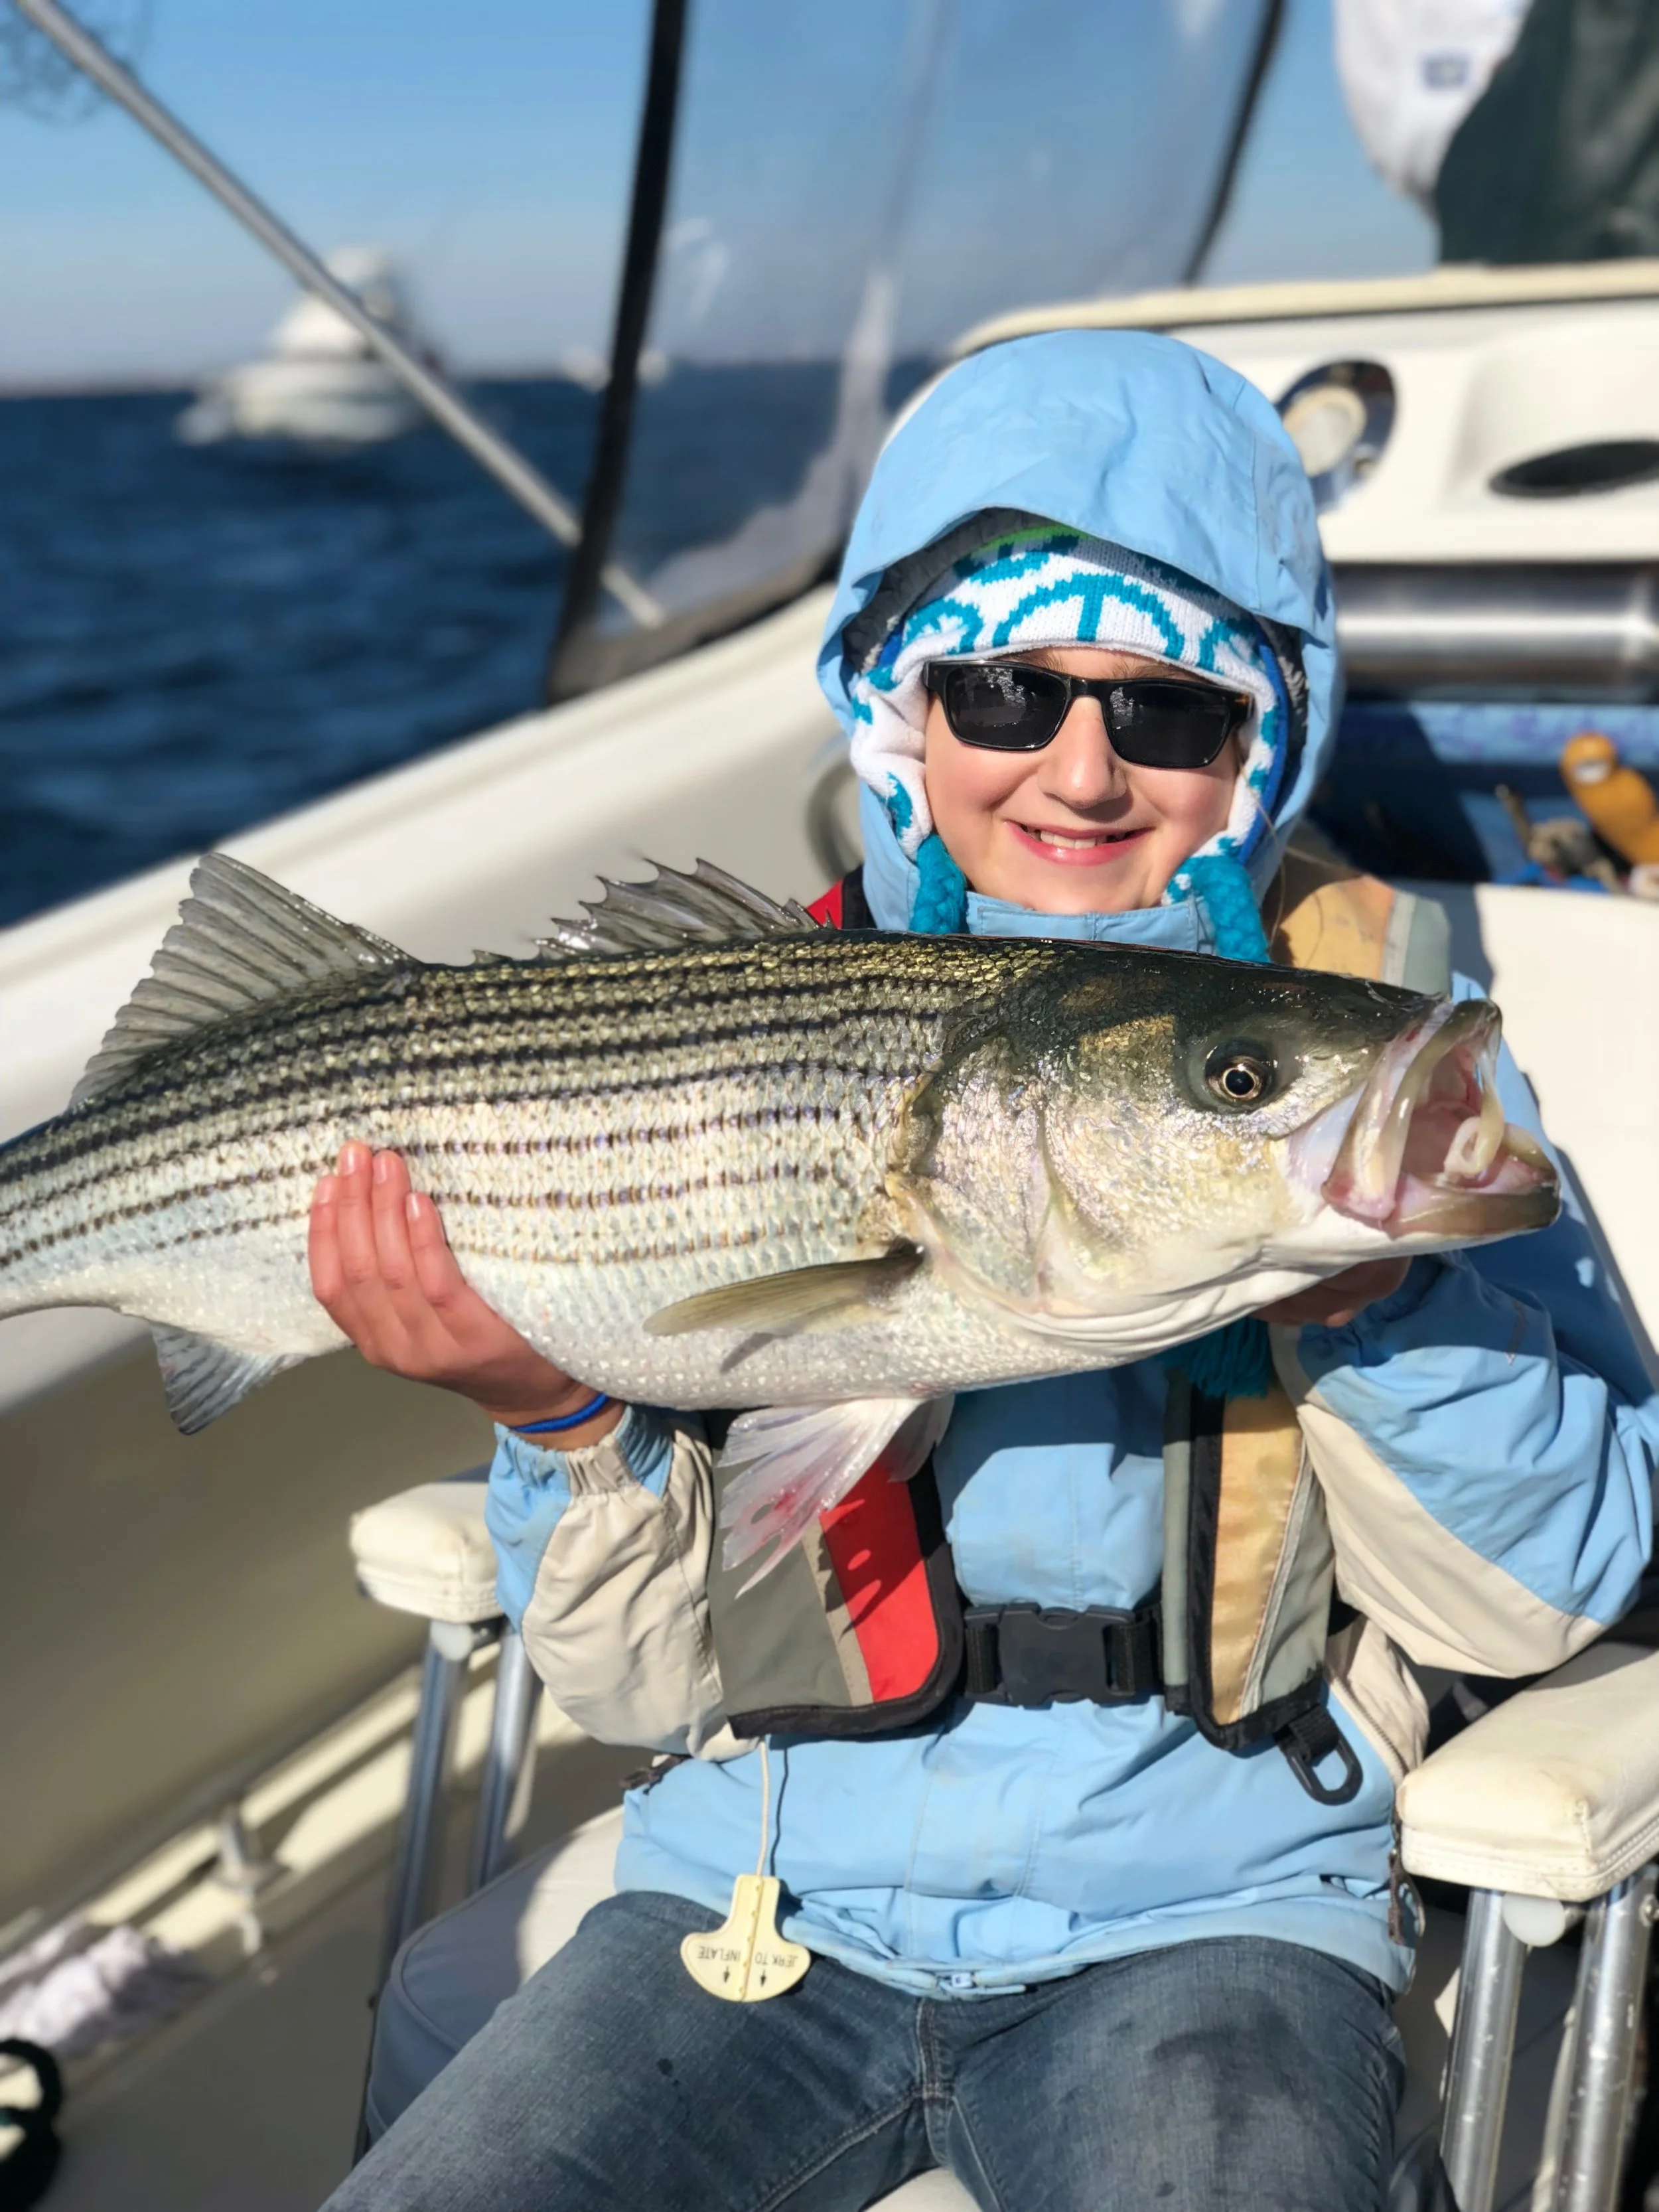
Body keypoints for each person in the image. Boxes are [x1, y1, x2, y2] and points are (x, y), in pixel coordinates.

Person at [313, 331, 1658, 2212]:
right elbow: (630, 1688)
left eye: (1170, 714)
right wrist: (546, 1415)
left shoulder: (1383, 1053)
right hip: (754, 1895)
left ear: (1258, 739)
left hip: (1228, 1916)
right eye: (1006, 690)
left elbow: (1543, 1606)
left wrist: (1374, 1296)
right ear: (900, 714)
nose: (1082, 771)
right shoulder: (739, 1040)